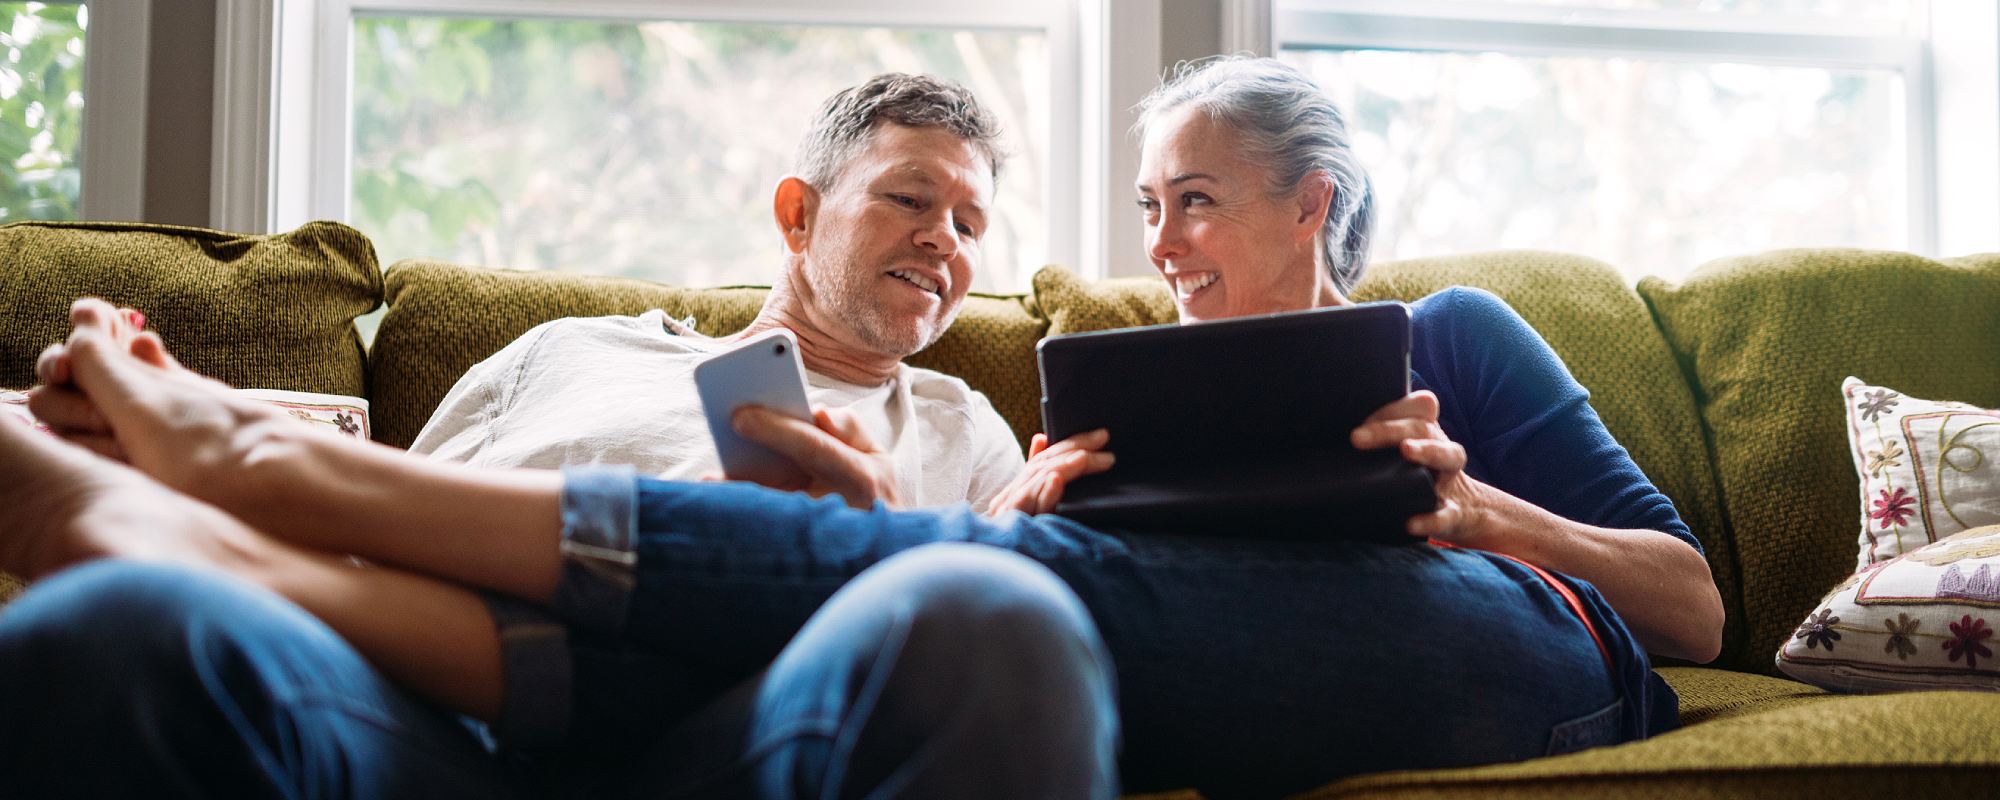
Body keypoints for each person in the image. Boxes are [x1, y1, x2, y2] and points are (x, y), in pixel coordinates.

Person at [8, 55, 1724, 799]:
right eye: (1147, 206)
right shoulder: (567, 355)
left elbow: (1692, 609)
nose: (1159, 247)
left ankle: (247, 483)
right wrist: (1053, 519)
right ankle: (238, 512)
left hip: (1476, 629)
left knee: (973, 589)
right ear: (796, 207)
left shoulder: (1455, 337)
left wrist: (1479, 510)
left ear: (1314, 203)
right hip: (489, 699)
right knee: (994, 582)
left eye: (1193, 202)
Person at [0, 74, 1120, 800]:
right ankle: (202, 499)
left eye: (971, 224)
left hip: (722, 745)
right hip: (441, 739)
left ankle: (213, 478)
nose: (945, 240)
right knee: (120, 622)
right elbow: (375, 542)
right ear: (797, 213)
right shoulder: (565, 350)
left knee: (995, 612)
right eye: (910, 199)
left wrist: (990, 534)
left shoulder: (958, 422)